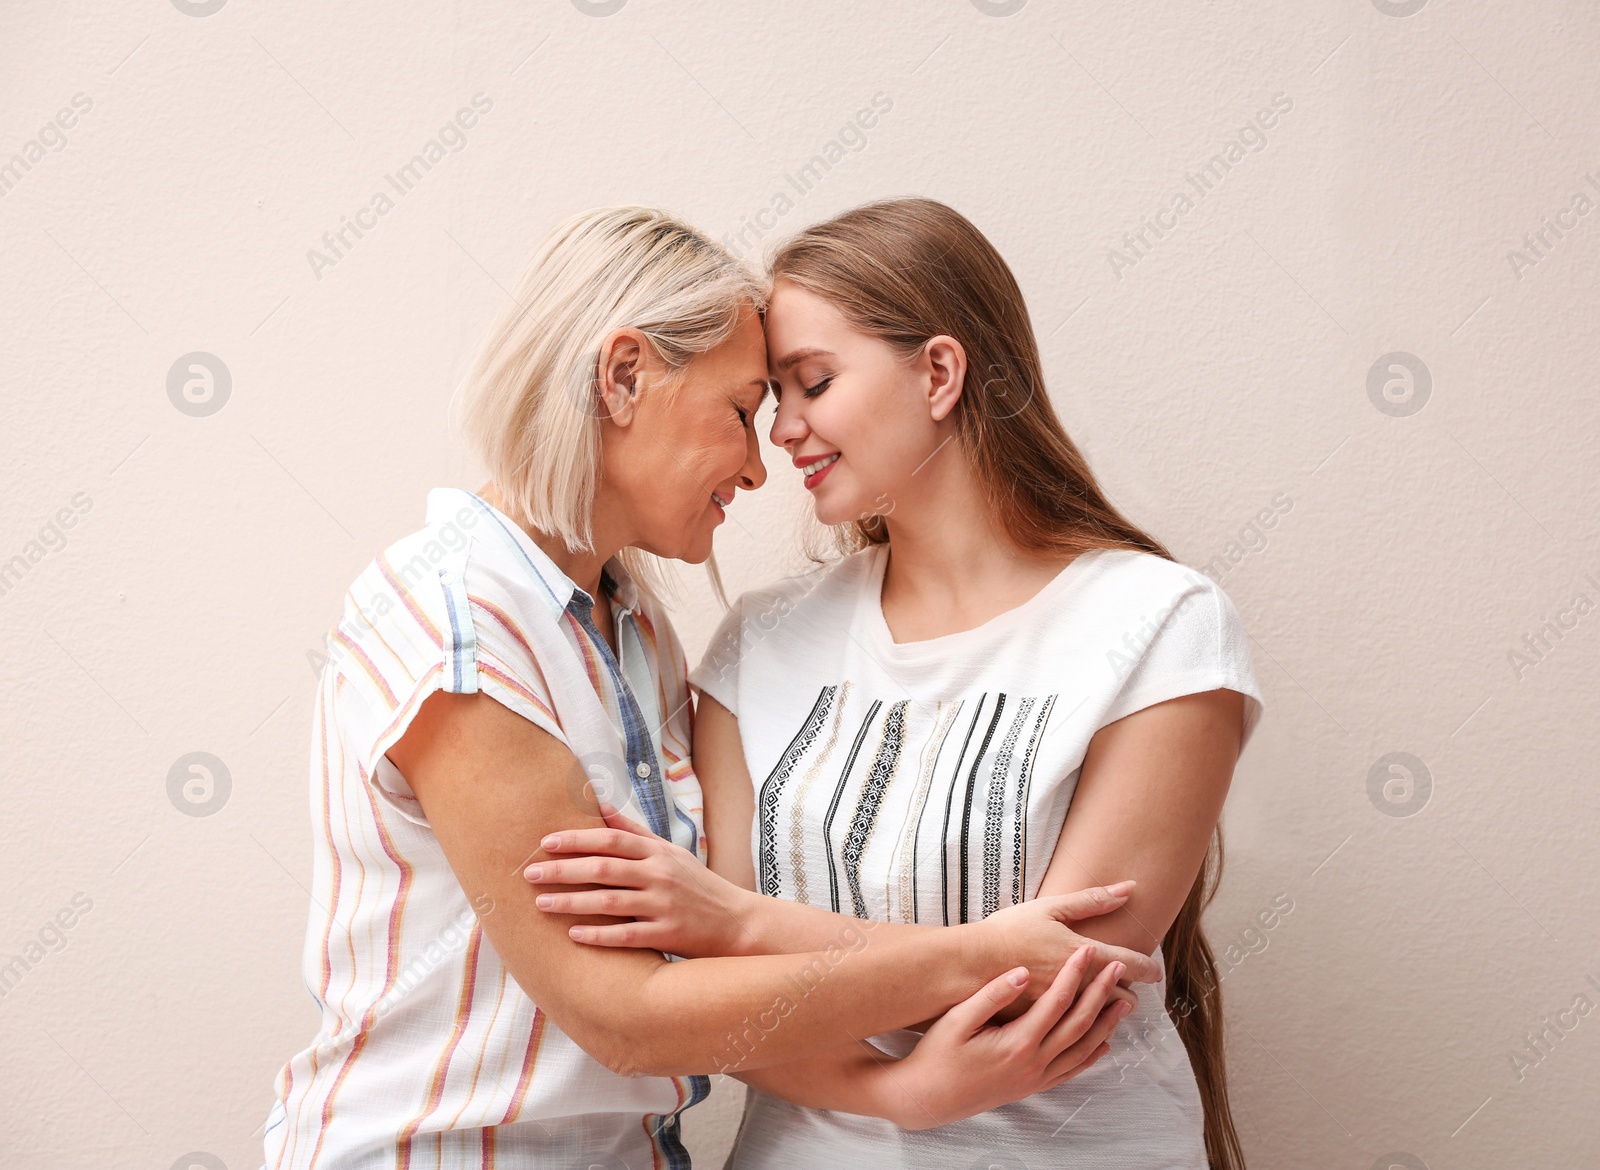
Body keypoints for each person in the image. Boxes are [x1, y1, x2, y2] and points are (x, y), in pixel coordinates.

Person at [261, 205, 1159, 1169]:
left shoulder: (636, 632)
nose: (760, 462)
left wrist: (890, 1086)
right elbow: (629, 1017)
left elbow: (703, 965)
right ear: (623, 377)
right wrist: (977, 957)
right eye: (742, 410)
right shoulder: (456, 617)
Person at [527, 198, 1266, 1169]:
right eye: (763, 402)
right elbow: (716, 1000)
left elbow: (1063, 983)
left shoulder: (1158, 625)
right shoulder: (761, 644)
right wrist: (893, 1079)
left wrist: (742, 921)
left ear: (939, 372)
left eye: (812, 383)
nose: (778, 436)